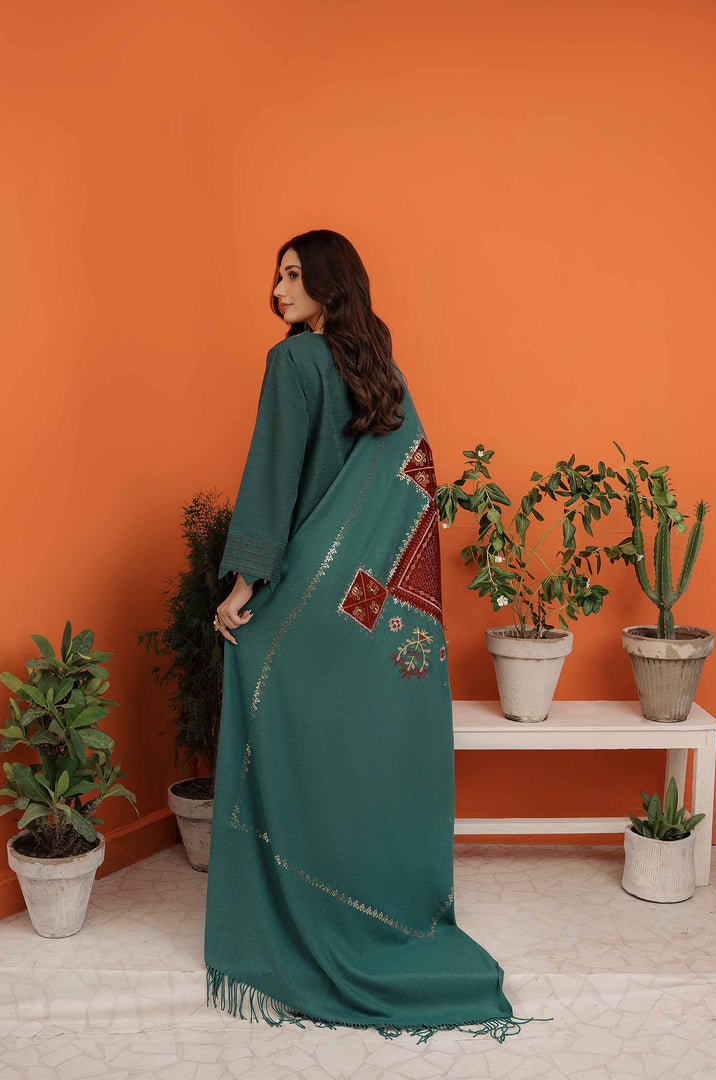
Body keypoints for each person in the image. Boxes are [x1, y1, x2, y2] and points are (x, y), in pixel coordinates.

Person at [204, 229, 552, 1043]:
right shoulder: (382, 373)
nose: (278, 290)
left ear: (329, 283)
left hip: (308, 593)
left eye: (293, 275)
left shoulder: (292, 362)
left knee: (267, 695)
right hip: (368, 611)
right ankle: (375, 905)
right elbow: (415, 484)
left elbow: (272, 475)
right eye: (277, 276)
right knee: (352, 749)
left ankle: (293, 904)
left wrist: (243, 584)